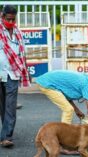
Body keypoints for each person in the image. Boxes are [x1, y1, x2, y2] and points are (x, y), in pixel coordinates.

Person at [35, 70, 88, 154]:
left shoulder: (86, 80)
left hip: (46, 81)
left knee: (69, 108)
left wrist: (77, 111)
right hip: (46, 83)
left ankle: (63, 141)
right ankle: (62, 145)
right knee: (68, 109)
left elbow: (66, 96)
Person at [0, 5, 31, 147]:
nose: (11, 22)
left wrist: (26, 70)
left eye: (13, 19)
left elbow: (22, 53)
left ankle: (6, 137)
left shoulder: (18, 33)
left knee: (10, 107)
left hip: (12, 74)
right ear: (2, 16)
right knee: (2, 106)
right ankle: (4, 132)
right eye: (8, 19)